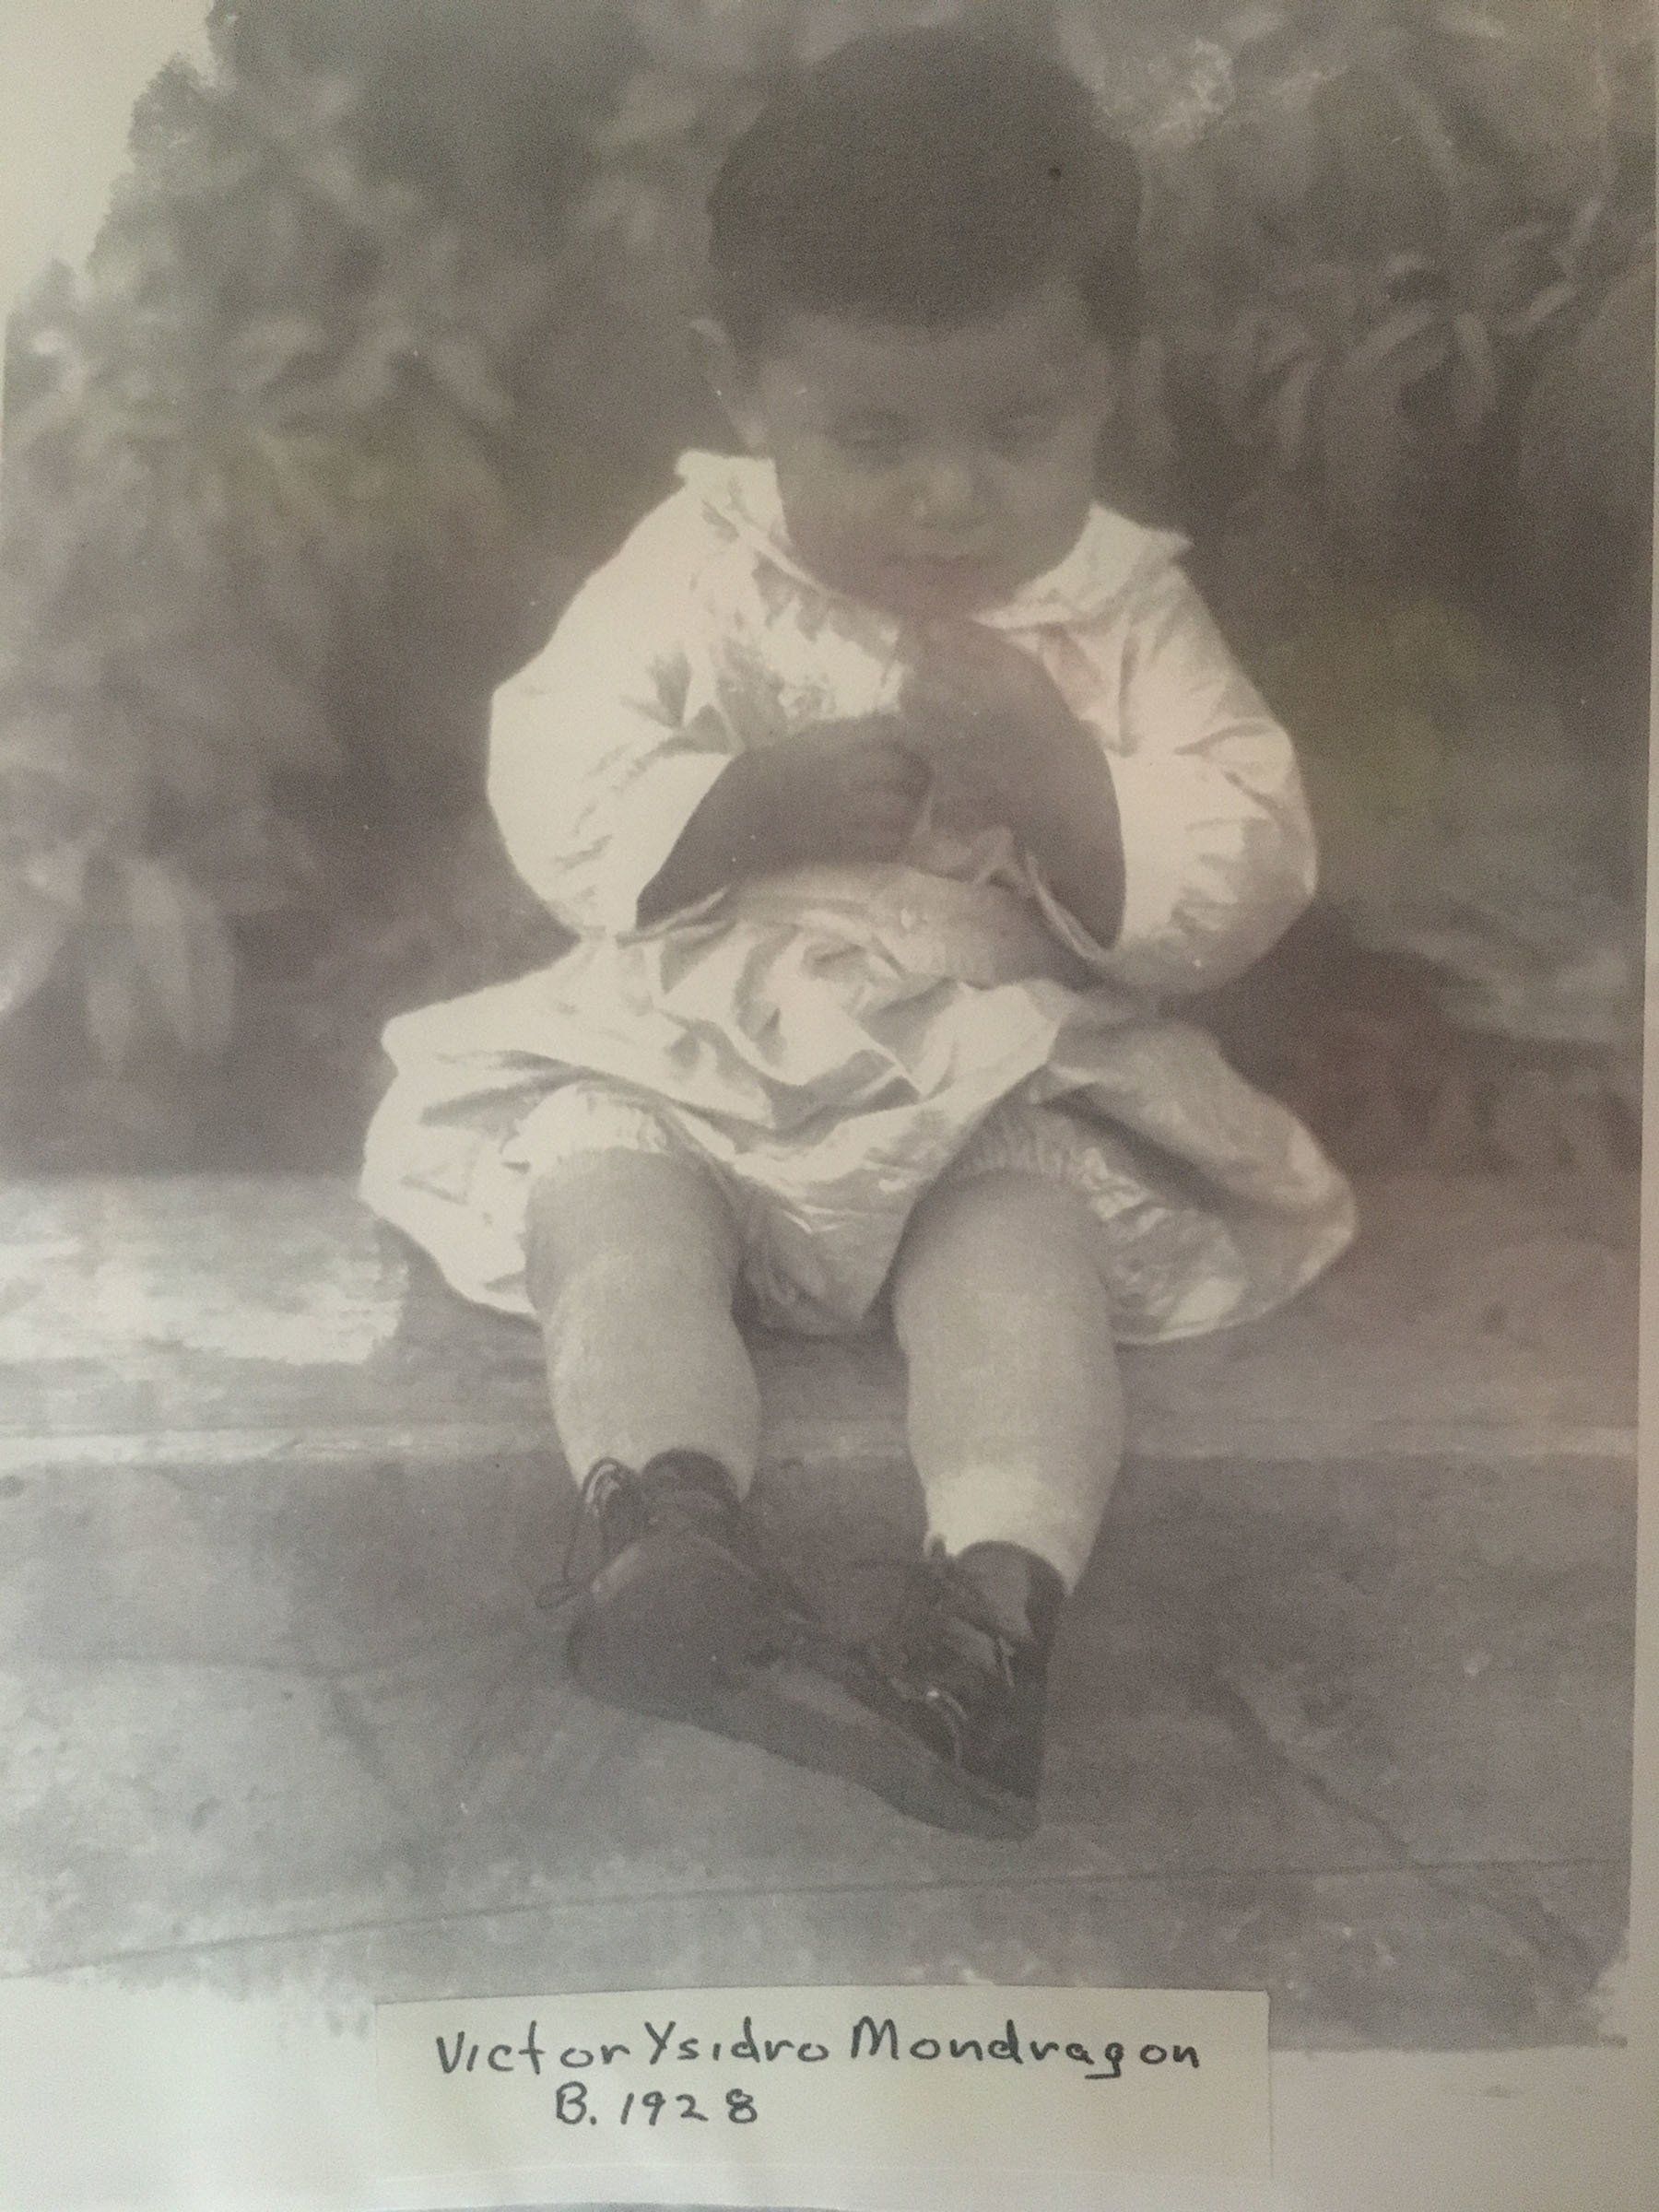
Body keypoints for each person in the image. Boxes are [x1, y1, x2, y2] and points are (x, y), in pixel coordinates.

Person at [360, 25, 1356, 1840]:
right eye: (873, 437)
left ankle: (990, 1621)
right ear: (743, 389)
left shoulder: (1121, 611)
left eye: (1016, 428)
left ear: (1110, 383)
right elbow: (560, 754)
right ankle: (664, 1528)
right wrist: (737, 808)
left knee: (1021, 1253)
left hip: (985, 1063)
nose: (950, 495)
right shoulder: (697, 567)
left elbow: (1245, 838)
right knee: (607, 1199)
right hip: (697, 1045)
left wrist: (1067, 786)